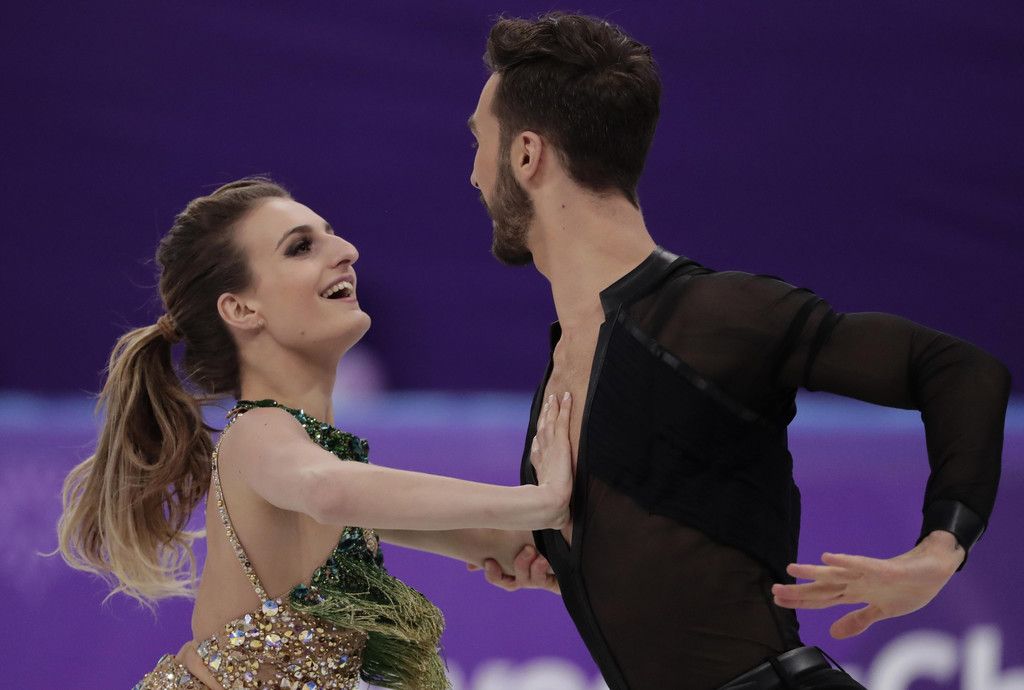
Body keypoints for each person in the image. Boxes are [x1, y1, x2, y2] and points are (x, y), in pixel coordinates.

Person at [463, 12, 1012, 690]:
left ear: (526, 155)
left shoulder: (714, 315)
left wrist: (940, 548)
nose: (474, 174)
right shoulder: (567, 358)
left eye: (479, 142)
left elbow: (959, 370)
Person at [55, 178, 574, 690]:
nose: (347, 251)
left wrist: (542, 555)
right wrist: (537, 501)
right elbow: (328, 490)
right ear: (241, 309)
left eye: (330, 234)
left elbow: (490, 538)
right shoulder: (256, 432)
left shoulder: (318, 459)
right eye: (301, 247)